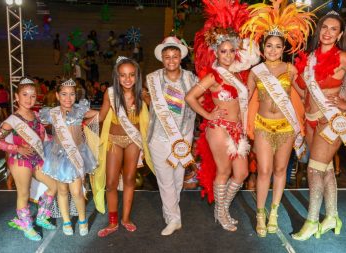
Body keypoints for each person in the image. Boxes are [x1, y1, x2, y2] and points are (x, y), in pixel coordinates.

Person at [292, 11, 346, 240]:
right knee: (326, 169)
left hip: (331, 120)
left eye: (333, 29)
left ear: (340, 34)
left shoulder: (342, 58)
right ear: (318, 30)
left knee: (313, 170)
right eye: (324, 28)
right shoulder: (309, 58)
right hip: (311, 119)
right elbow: (303, 90)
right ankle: (332, 217)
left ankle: (311, 222)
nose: (327, 32)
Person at [240, 0, 312, 237]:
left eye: (277, 46)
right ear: (263, 48)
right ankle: (260, 214)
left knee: (281, 171)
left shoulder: (291, 70)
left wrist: (310, 80)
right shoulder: (255, 71)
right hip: (262, 126)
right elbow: (245, 98)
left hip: (286, 128)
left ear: (284, 49)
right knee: (264, 171)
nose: (273, 50)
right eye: (269, 46)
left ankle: (274, 214)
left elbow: (304, 94)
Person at [187, 0, 259, 232]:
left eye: (231, 51)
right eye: (223, 51)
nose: (227, 55)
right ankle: (222, 213)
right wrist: (208, 113)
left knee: (242, 172)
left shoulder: (240, 75)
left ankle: (222, 209)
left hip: (236, 130)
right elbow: (190, 97)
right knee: (224, 171)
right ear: (215, 52)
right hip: (218, 128)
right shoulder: (213, 77)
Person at [0, 77, 58, 241]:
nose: (29, 99)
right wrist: (17, 148)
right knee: (24, 192)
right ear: (16, 97)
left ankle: (41, 217)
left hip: (36, 159)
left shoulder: (36, 115)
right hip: (20, 160)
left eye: (33, 96)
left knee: (53, 185)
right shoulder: (12, 120)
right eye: (25, 95)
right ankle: (27, 226)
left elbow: (43, 137)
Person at [94, 56, 153, 237]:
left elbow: (155, 115)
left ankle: (125, 219)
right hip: (114, 139)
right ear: (116, 76)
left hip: (133, 142)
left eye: (131, 75)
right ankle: (113, 222)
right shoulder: (110, 93)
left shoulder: (142, 93)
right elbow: (101, 117)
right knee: (111, 183)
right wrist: (79, 121)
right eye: (123, 75)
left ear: (137, 76)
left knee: (129, 180)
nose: (127, 79)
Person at [146, 36, 198, 236]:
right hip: (159, 137)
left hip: (183, 136)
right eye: (167, 57)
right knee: (165, 180)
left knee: (177, 180)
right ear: (162, 58)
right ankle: (174, 218)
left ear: (180, 58)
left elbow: (200, 99)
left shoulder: (191, 78)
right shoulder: (152, 78)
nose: (171, 61)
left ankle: (170, 214)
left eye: (174, 56)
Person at [39, 79, 99, 236]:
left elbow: (99, 115)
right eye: (64, 94)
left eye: (72, 94)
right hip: (58, 157)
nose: (68, 98)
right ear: (57, 95)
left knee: (77, 191)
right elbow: (37, 124)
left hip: (77, 154)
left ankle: (82, 219)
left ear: (76, 96)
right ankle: (66, 221)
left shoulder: (80, 111)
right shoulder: (52, 113)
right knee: (62, 190)